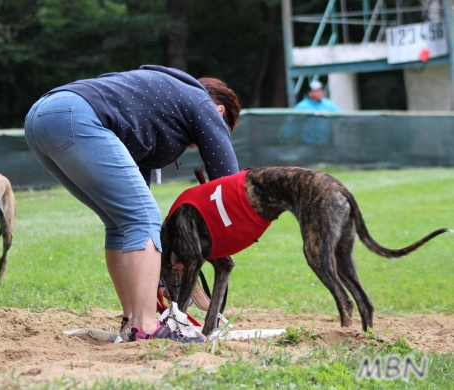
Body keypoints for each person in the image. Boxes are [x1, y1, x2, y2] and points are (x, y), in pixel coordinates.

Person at [24, 65, 240, 343]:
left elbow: (137, 192)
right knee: (142, 219)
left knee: (120, 223)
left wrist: (155, 272)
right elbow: (229, 187)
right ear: (220, 112)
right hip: (75, 115)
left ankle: (132, 320)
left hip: (40, 117)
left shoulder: (164, 105)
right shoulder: (203, 105)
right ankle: (146, 325)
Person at [283, 80, 341, 145]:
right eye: (317, 91)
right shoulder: (302, 106)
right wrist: (287, 137)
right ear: (310, 93)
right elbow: (292, 123)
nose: (320, 93)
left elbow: (340, 116)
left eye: (321, 90)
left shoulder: (328, 104)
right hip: (308, 143)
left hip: (325, 142)